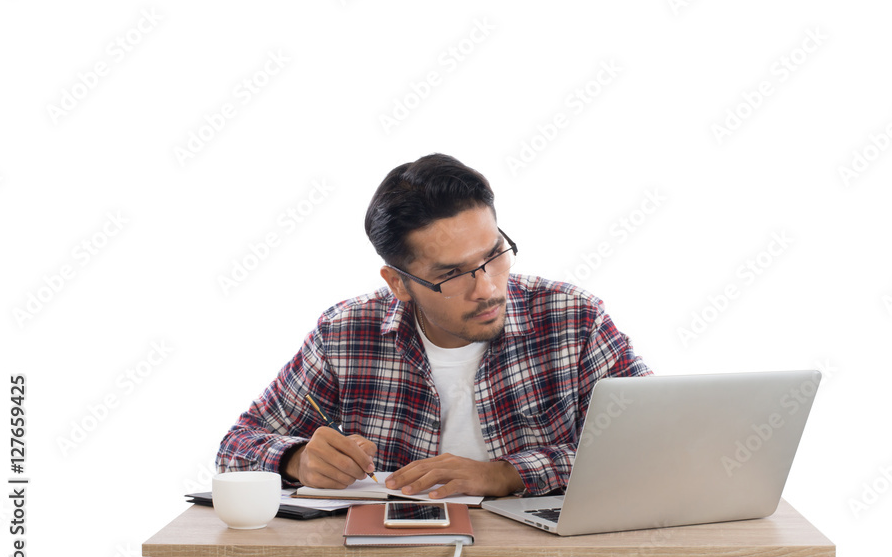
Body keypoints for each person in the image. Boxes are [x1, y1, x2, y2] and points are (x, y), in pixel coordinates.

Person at [216, 153, 651, 498]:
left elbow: (655, 445)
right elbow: (236, 447)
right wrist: (296, 460)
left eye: (494, 254)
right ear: (398, 283)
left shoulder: (574, 318)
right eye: (451, 274)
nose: (487, 289)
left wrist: (506, 475)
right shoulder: (345, 333)